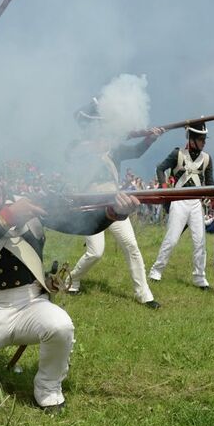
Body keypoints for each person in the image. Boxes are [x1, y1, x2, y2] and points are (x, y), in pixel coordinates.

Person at [0, 133, 140, 414]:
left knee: (60, 325)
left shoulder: (29, 202)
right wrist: (7, 217)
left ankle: (48, 388)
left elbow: (79, 224)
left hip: (31, 302)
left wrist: (112, 212)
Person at [66, 98, 161, 308]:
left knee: (131, 246)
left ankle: (144, 294)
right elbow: (71, 156)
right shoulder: (78, 147)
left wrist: (150, 139)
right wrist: (96, 145)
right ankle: (71, 280)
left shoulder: (112, 147)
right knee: (95, 252)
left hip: (114, 202)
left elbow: (135, 152)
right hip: (90, 206)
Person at [147, 122, 214, 289]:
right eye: (201, 139)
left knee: (200, 241)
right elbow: (160, 169)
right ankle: (156, 270)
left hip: (196, 204)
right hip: (178, 201)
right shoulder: (177, 154)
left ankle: (199, 277)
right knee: (172, 239)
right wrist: (164, 189)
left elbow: (210, 182)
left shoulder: (206, 159)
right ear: (192, 139)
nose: (204, 142)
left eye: (204, 139)